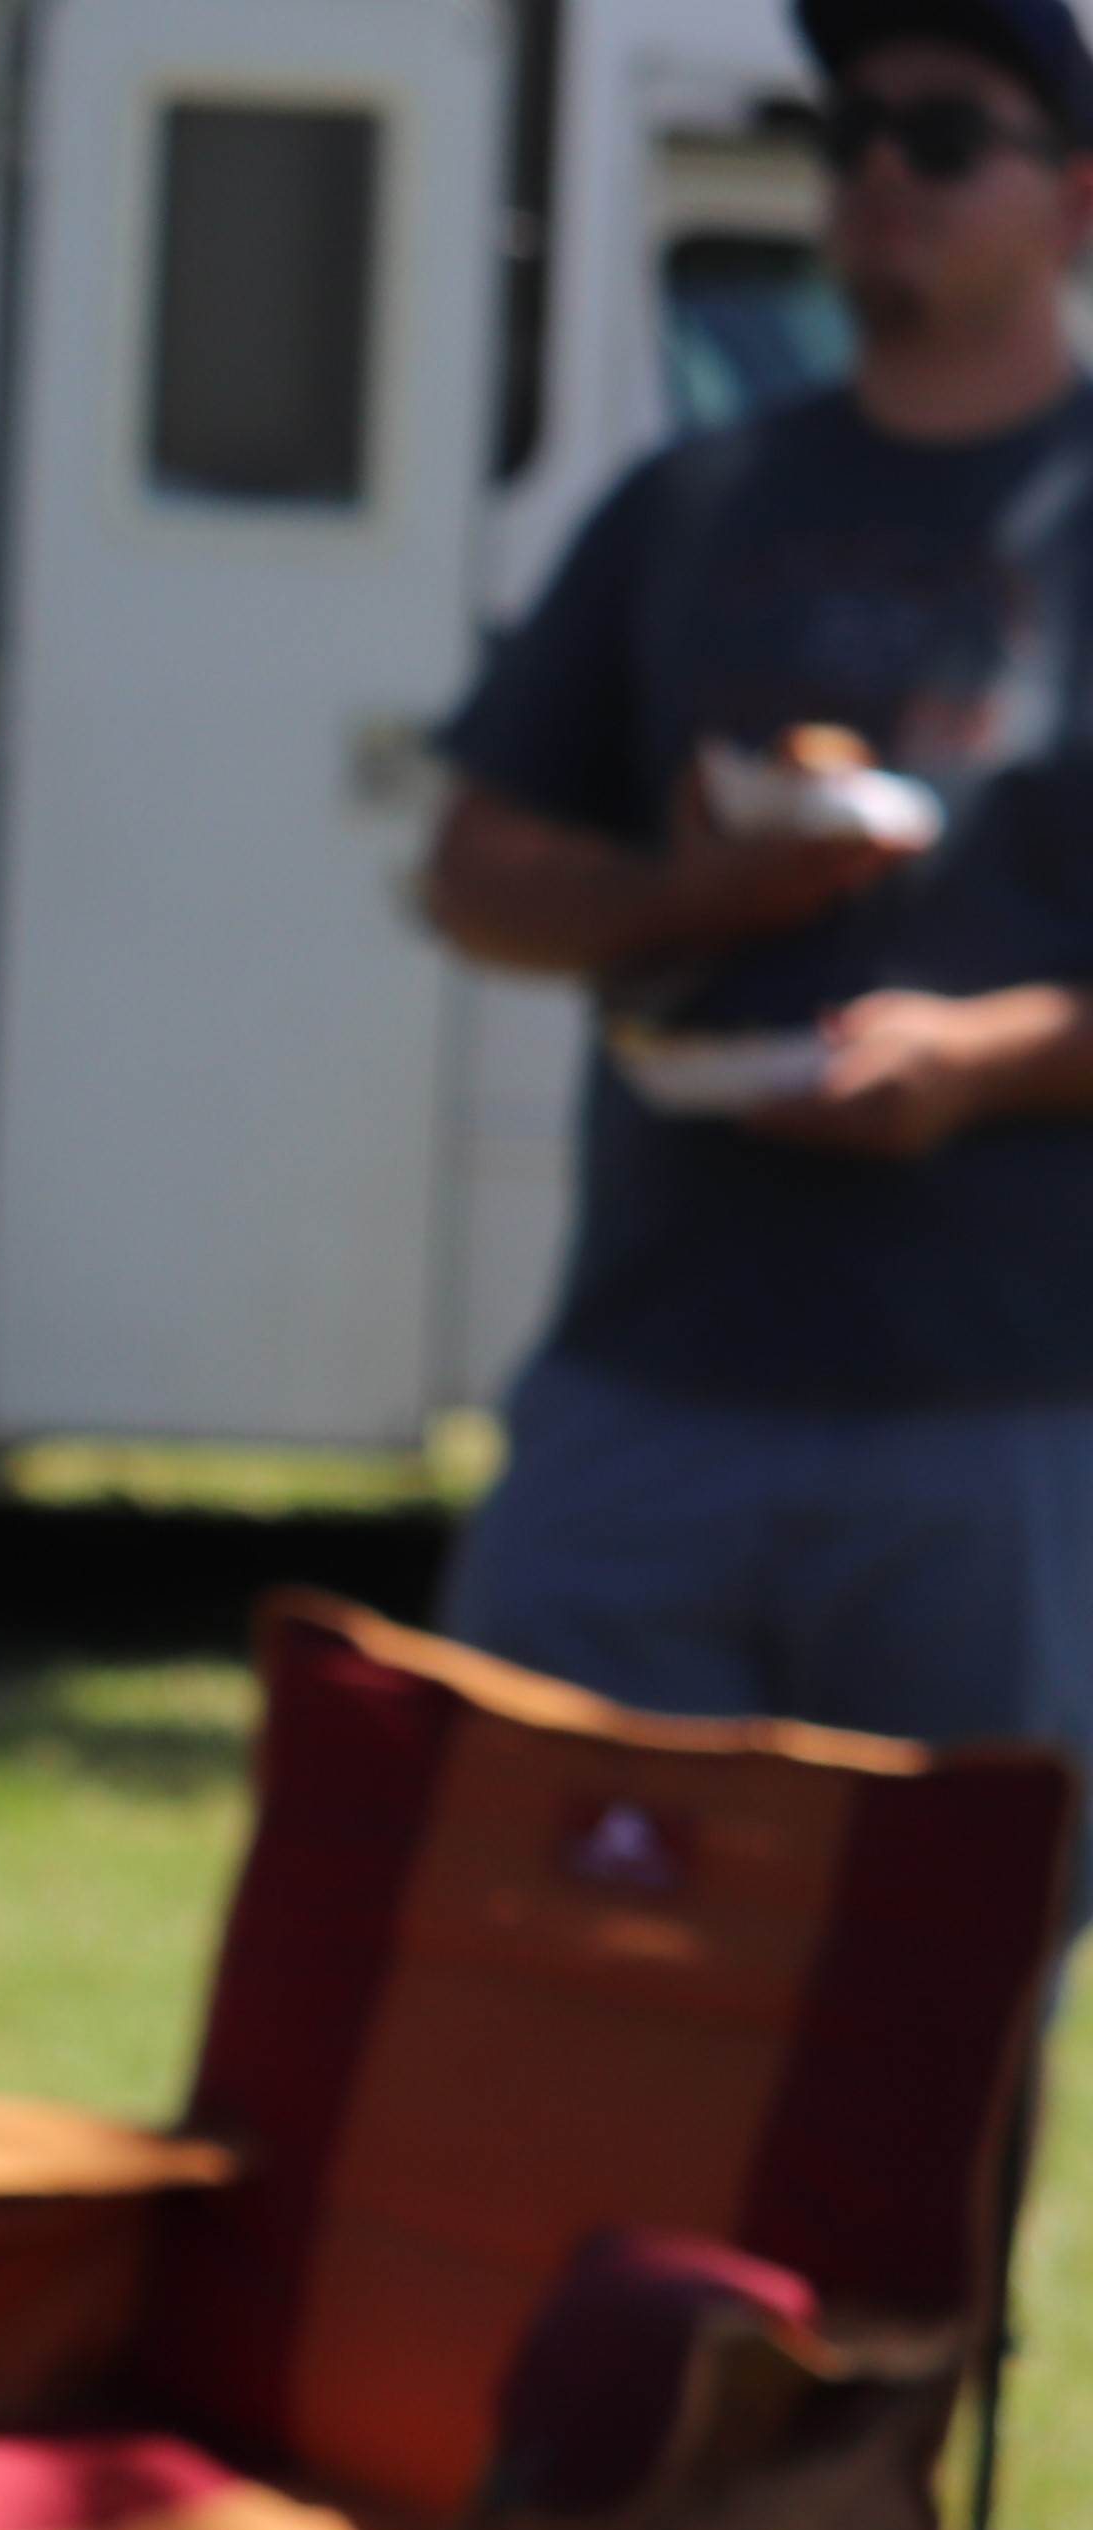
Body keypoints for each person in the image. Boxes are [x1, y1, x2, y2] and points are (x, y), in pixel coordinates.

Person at [423, 0, 1093, 1797]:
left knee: (944, 1957)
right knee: (548, 1913)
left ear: (1076, 201)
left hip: (1012, 1414)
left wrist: (983, 1058)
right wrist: (685, 891)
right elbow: (473, 874)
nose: (881, 172)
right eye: (845, 134)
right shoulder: (692, 503)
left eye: (942, 137)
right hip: (651, 1379)